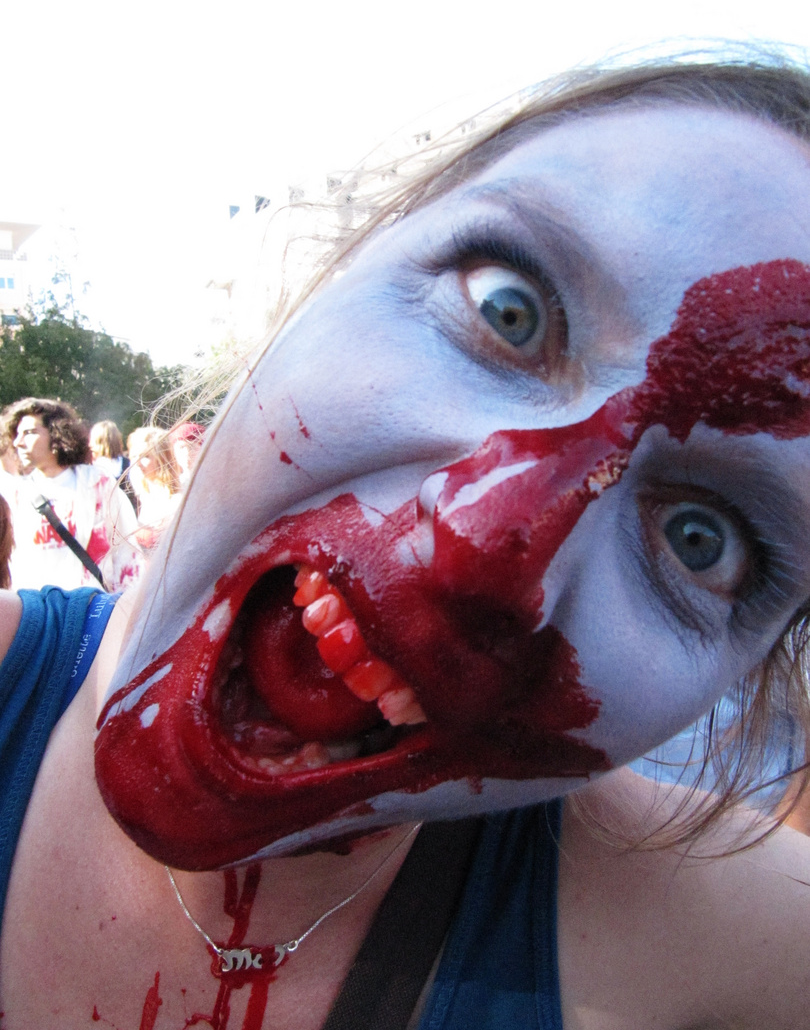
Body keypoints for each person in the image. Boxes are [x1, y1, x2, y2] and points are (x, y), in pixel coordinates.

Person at [2, 54, 810, 1029]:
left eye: (701, 538)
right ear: (331, 269)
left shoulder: (750, 955)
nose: (486, 541)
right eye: (507, 309)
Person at [0, 398, 143, 592]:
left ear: (56, 434)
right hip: (40, 613)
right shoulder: (16, 494)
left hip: (93, 608)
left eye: (30, 433)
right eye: (17, 434)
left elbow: (127, 552)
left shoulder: (98, 483)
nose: (19, 442)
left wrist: (123, 606)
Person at [126, 425, 183, 553]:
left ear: (162, 458)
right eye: (133, 457)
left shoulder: (180, 498)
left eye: (145, 456)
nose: (137, 463)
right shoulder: (144, 493)